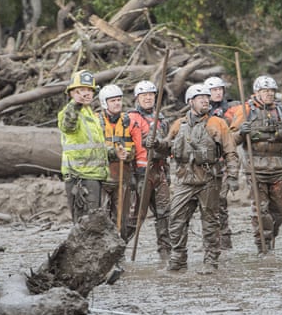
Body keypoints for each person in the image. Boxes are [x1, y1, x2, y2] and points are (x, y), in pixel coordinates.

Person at [147, 84, 239, 274]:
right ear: (190, 102)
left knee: (210, 222)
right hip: (185, 179)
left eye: (207, 97)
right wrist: (155, 143)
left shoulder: (217, 123)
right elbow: (167, 146)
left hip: (209, 179)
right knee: (176, 219)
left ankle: (211, 262)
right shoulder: (179, 124)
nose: (206, 100)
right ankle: (178, 260)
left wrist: (232, 176)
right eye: (200, 98)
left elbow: (230, 151)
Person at [231, 75, 282, 255]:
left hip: (277, 167)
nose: (269, 94)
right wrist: (241, 133)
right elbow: (230, 139)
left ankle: (271, 233)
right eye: (265, 91)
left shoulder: (281, 111)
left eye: (272, 91)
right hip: (254, 168)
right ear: (256, 92)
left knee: (281, 211)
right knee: (261, 209)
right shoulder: (245, 110)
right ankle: (264, 246)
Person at [57, 70, 110, 223]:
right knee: (85, 225)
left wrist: (113, 153)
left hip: (95, 176)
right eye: (80, 91)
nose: (85, 94)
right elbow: (68, 124)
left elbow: (96, 148)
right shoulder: (69, 112)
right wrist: (76, 103)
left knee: (94, 223)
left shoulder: (92, 116)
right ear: (71, 93)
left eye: (88, 90)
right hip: (80, 178)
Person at [127, 80, 172, 260]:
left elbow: (169, 146)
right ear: (137, 98)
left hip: (159, 172)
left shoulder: (162, 120)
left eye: (151, 95)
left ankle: (165, 252)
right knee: (136, 216)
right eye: (144, 95)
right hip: (140, 173)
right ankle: (119, 250)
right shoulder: (129, 118)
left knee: (164, 214)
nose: (148, 98)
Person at [203, 76, 242, 249]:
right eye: (213, 90)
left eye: (220, 89)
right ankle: (211, 239)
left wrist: (241, 133)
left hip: (225, 159)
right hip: (206, 162)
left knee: (221, 201)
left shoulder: (233, 109)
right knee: (207, 203)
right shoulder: (202, 111)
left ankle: (225, 240)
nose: (217, 93)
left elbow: (234, 138)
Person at [97, 84, 136, 242]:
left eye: (119, 100)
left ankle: (119, 252)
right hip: (102, 177)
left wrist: (129, 155)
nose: (117, 103)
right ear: (105, 103)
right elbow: (93, 150)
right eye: (113, 100)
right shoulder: (96, 123)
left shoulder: (128, 121)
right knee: (100, 216)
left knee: (122, 218)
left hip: (122, 178)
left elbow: (136, 146)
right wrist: (113, 153)